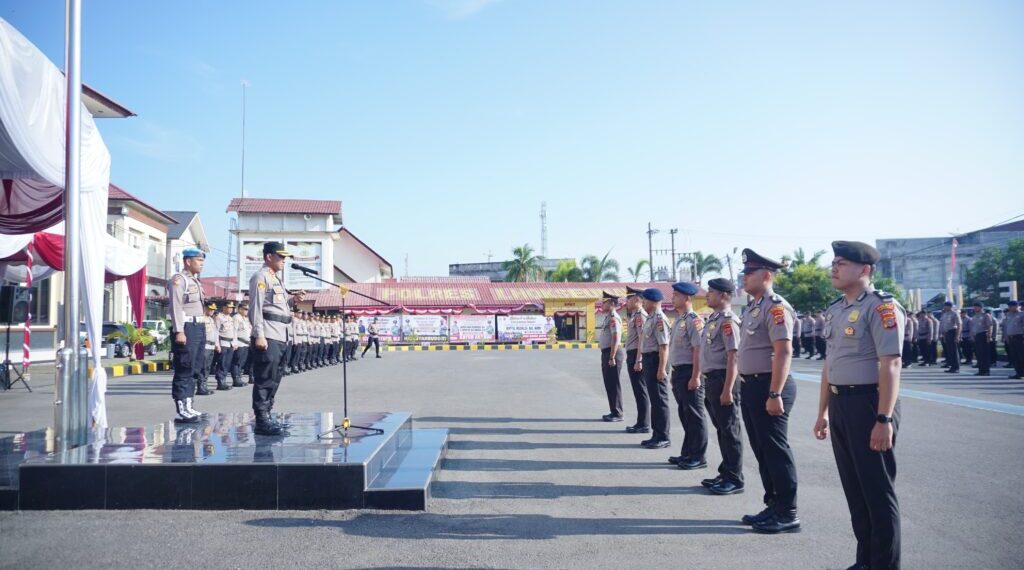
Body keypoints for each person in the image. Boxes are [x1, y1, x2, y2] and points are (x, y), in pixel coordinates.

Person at [815, 241, 905, 570]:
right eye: (833, 263)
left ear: (864, 269)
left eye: (841, 263)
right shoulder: (836, 309)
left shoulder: (881, 307)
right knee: (855, 491)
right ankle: (865, 561)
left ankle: (884, 565)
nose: (833, 268)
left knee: (877, 491)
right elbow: (830, 363)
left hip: (870, 404)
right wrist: (823, 411)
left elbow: (891, 363)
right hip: (841, 403)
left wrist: (884, 418)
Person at [737, 248, 800, 534]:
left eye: (750, 273)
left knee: (775, 450)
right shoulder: (753, 307)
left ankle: (788, 511)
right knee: (762, 449)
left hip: (770, 386)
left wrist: (774, 394)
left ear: (766, 276)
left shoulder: (776, 307)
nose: (745, 277)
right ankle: (773, 504)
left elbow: (783, 351)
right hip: (752, 385)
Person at [248, 241, 304, 435]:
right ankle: (261, 420)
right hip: (268, 334)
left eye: (285, 257)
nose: (284, 260)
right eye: (280, 256)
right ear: (269, 257)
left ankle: (268, 414)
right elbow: (256, 308)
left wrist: (292, 300)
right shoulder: (260, 277)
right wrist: (259, 335)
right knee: (265, 378)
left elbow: (277, 305)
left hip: (281, 334)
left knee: (275, 377)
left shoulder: (276, 278)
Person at [700, 278, 744, 494]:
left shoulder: (728, 321)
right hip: (712, 379)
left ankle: (735, 478)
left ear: (724, 295)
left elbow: (733, 356)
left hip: (723, 379)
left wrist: (728, 389)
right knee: (722, 429)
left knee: (730, 430)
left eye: (712, 291)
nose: (707, 295)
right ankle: (726, 472)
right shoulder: (714, 319)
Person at [668, 282, 707, 470]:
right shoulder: (679, 319)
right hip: (679, 372)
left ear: (687, 298)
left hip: (690, 372)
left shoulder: (694, 320)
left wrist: (696, 376)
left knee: (695, 415)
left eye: (676, 295)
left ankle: (698, 456)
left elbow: (698, 349)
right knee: (685, 414)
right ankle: (688, 452)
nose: (672, 298)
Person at [168, 247, 208, 423]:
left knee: (195, 368)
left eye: (202, 261)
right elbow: (176, 306)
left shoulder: (195, 281)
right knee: (184, 368)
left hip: (198, 326)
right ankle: (181, 409)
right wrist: (179, 331)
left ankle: (189, 405)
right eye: (199, 260)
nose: (201, 264)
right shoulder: (179, 280)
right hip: (186, 327)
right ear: (188, 261)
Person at [638, 287, 671, 449]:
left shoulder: (659, 319)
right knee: (654, 400)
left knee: (660, 401)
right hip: (649, 360)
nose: (643, 303)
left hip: (656, 360)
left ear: (652, 302)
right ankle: (656, 434)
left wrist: (661, 368)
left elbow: (664, 346)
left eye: (644, 300)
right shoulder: (651, 318)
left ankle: (663, 436)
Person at [624, 286, 650, 434]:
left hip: (636, 355)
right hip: (632, 354)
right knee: (637, 390)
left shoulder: (640, 315)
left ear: (638, 299)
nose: (627, 301)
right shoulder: (635, 315)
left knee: (641, 390)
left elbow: (642, 338)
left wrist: (639, 360)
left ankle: (644, 424)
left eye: (629, 298)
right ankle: (640, 422)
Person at [598, 292, 625, 422]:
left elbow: (615, 337)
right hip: (607, 352)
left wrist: (612, 356)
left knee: (613, 383)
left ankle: (618, 413)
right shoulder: (608, 317)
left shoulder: (614, 317)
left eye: (604, 302)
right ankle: (613, 411)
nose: (602, 304)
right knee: (609, 383)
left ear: (611, 303)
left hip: (612, 353)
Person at [197, 302, 218, 395]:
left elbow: (215, 333)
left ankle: (204, 385)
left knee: (207, 367)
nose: (212, 311)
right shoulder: (201, 318)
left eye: (213, 309)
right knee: (203, 366)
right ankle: (201, 386)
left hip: (211, 346)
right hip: (204, 345)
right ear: (205, 308)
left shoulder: (211, 319)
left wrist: (216, 344)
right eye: (210, 309)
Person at [215, 301, 237, 388]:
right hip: (223, 342)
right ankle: (220, 381)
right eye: (229, 307)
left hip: (230, 343)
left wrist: (234, 342)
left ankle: (223, 379)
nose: (230, 309)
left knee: (227, 363)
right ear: (224, 307)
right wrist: (217, 344)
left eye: (232, 308)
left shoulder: (230, 318)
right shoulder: (219, 317)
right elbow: (216, 331)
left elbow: (234, 331)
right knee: (222, 362)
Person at [232, 302, 253, 386]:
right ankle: (236, 379)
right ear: (240, 309)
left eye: (248, 309)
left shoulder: (245, 318)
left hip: (246, 344)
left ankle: (239, 378)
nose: (247, 311)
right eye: (245, 309)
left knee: (241, 362)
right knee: (237, 362)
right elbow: (234, 330)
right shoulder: (236, 317)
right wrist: (234, 342)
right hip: (239, 343)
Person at [971, 303, 993, 377]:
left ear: (980, 307)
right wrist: (973, 336)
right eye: (974, 307)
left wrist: (989, 337)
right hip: (977, 336)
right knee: (979, 354)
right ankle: (981, 370)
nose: (974, 308)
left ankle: (986, 370)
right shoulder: (974, 316)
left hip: (983, 335)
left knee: (984, 354)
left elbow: (990, 326)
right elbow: (973, 327)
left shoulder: (986, 315)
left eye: (976, 307)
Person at [939, 301, 962, 373]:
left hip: (953, 332)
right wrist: (944, 334)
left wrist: (957, 336)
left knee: (954, 351)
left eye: (945, 306)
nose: (944, 307)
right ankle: (952, 366)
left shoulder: (955, 313)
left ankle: (956, 367)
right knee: (949, 351)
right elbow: (943, 324)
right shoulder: (945, 314)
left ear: (949, 306)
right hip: (947, 333)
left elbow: (959, 324)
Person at [1005, 301, 1023, 379]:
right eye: (1009, 306)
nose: (1009, 308)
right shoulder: (1009, 315)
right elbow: (1007, 326)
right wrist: (1006, 337)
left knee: (1021, 356)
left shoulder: (1022, 314)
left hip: (1019, 337)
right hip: (1011, 338)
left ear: (1016, 306)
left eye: (1011, 306)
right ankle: (1018, 373)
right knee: (1014, 357)